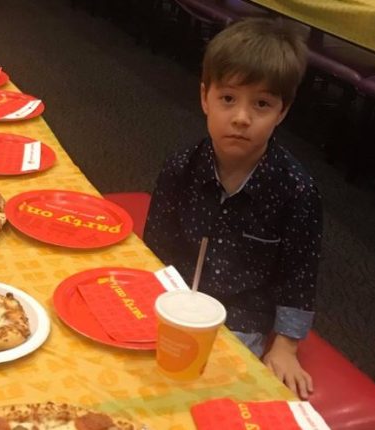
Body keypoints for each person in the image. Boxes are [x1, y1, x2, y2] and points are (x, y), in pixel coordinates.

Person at [143, 18, 322, 400]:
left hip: (243, 317)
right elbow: (155, 246)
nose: (242, 117)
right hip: (177, 300)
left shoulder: (297, 190)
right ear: (205, 97)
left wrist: (286, 346)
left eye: (261, 104)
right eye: (228, 99)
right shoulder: (180, 166)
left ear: (282, 111)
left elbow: (299, 275)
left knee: (205, 394)